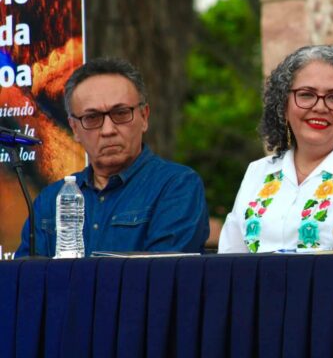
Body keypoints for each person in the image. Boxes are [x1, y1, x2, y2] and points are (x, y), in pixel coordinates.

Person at [218, 45, 333, 253]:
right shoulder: (258, 172)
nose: (319, 107)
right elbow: (229, 260)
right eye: (306, 94)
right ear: (284, 106)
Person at [16, 57, 209, 257]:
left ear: (144, 117)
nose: (108, 130)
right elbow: (25, 281)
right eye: (92, 118)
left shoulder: (176, 186)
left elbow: (162, 278)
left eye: (121, 113)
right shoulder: (50, 200)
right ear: (74, 128)